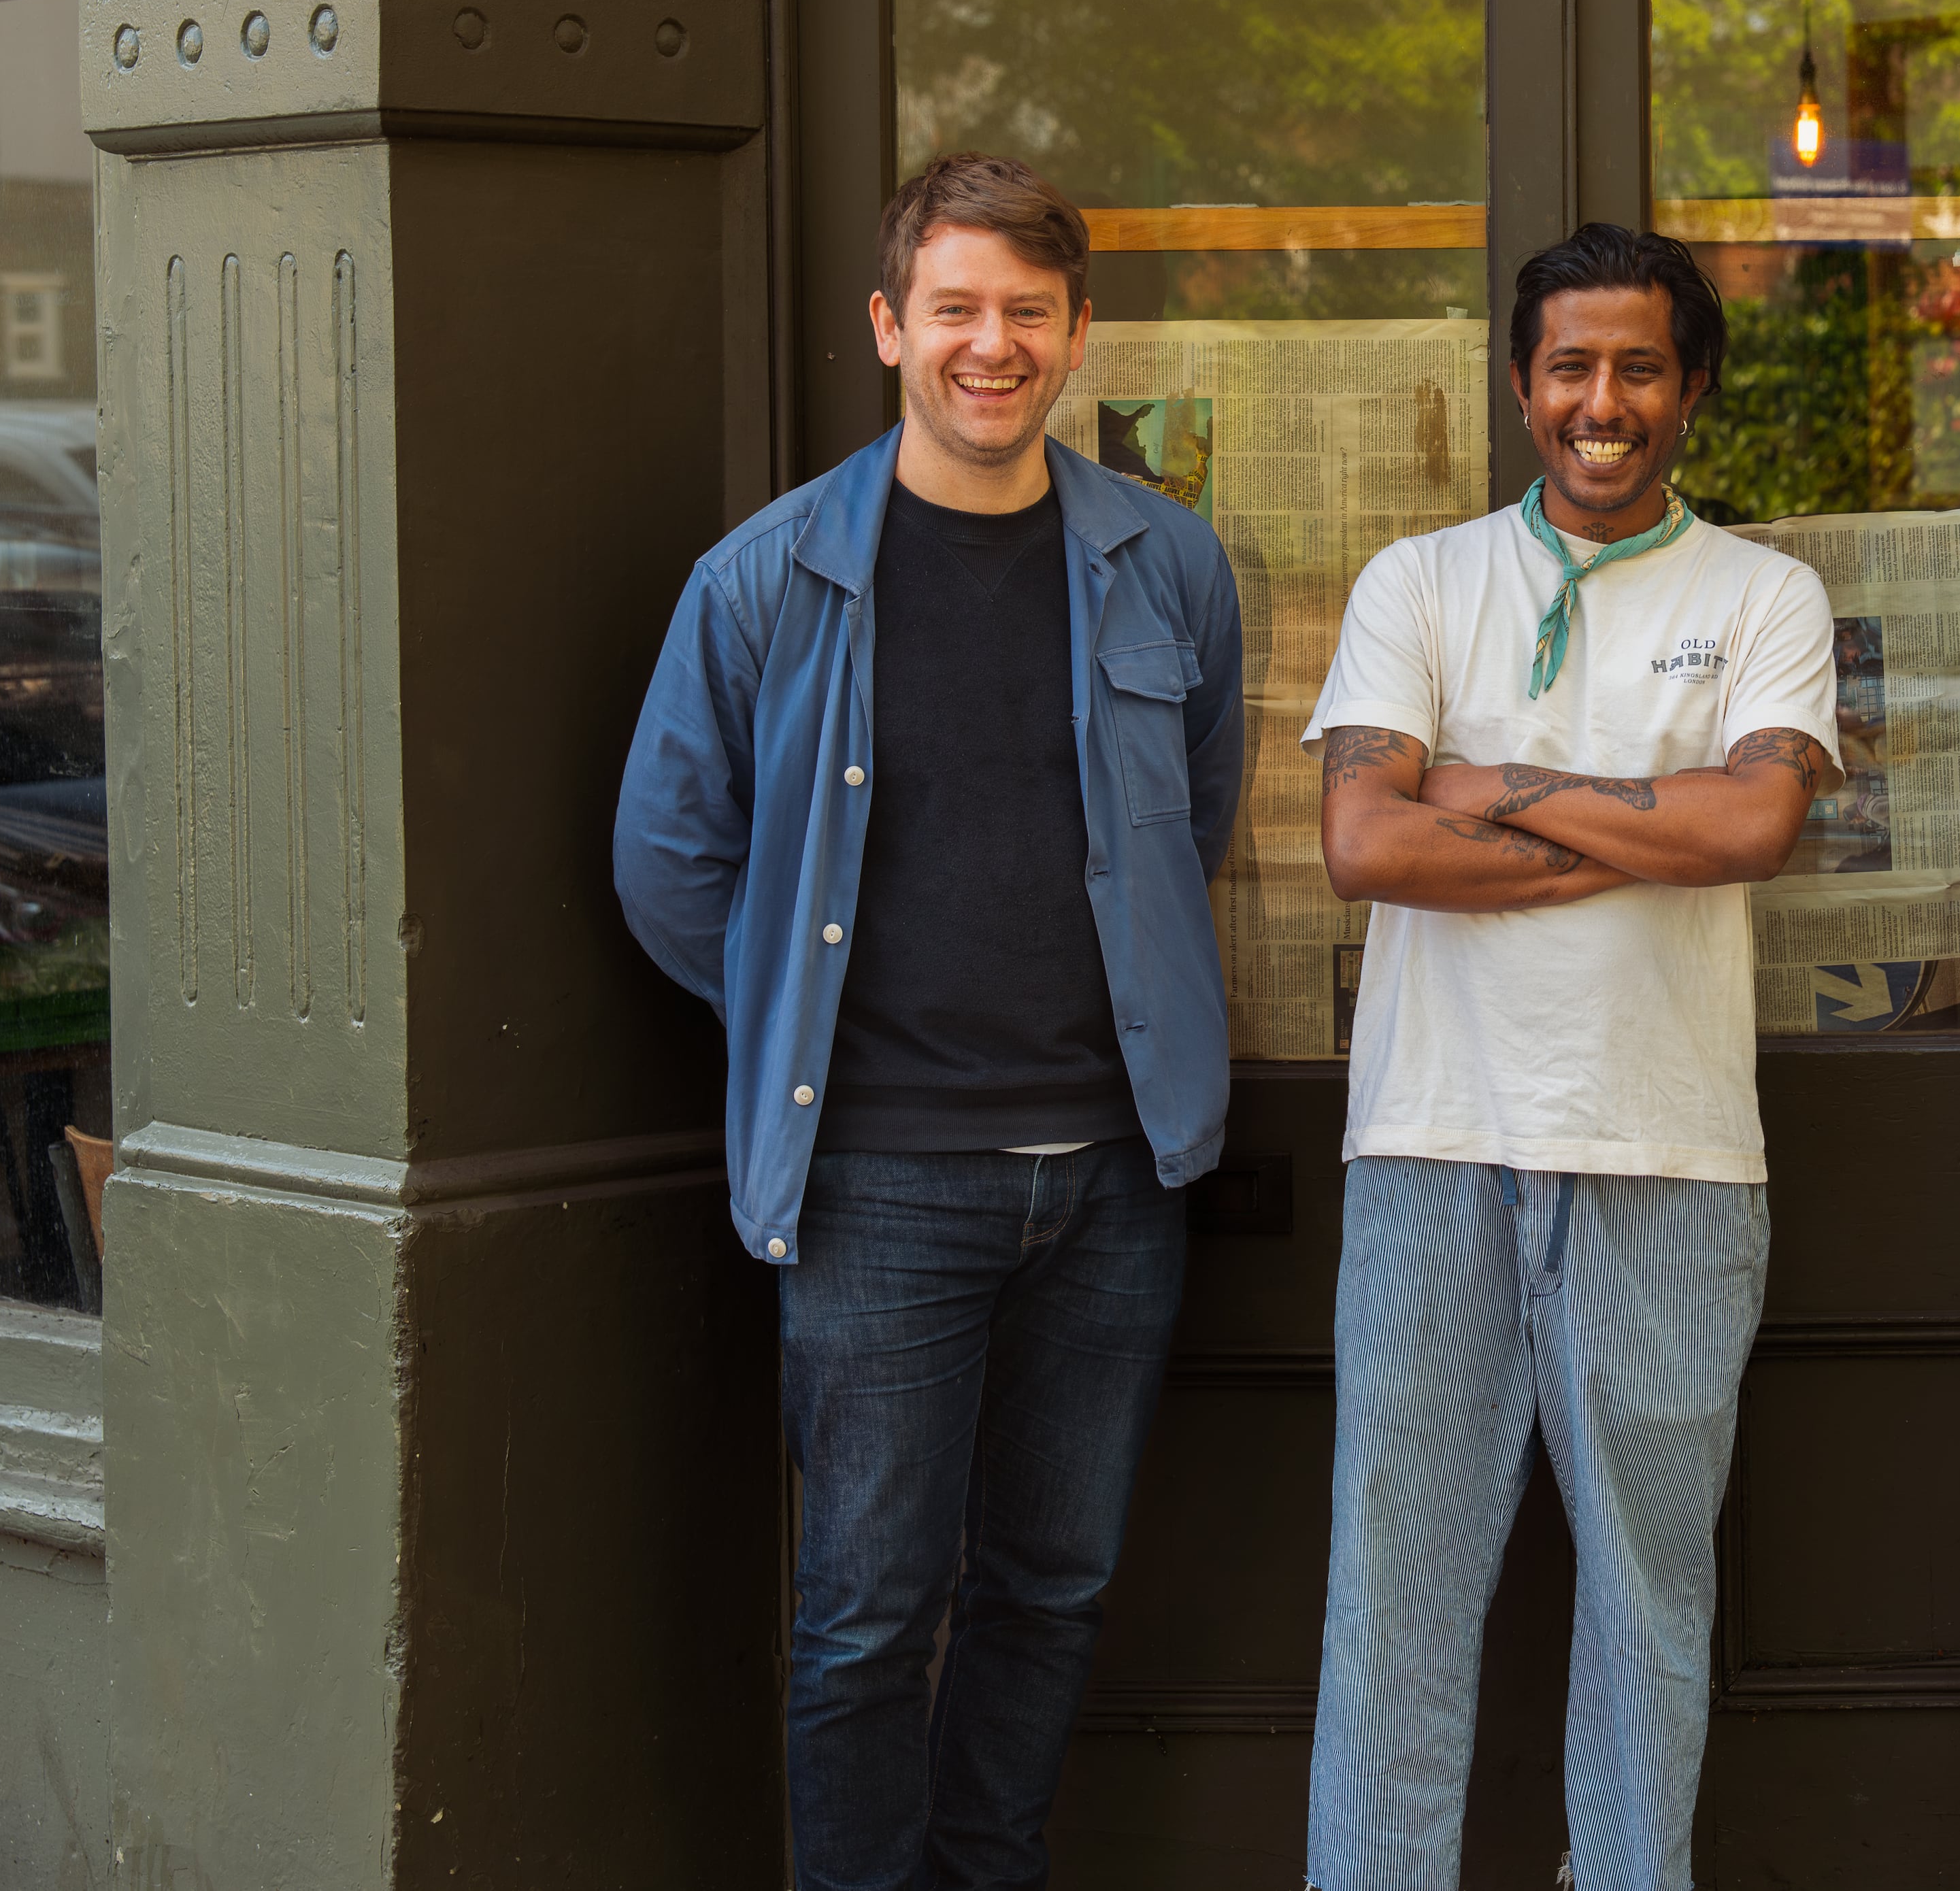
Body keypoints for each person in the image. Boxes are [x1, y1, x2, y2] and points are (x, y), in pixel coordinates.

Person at [612, 152, 1244, 1891]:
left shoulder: (1167, 565)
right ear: (889, 325)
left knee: (1053, 1588)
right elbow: (672, 866)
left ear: (1076, 335)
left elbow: (1192, 819)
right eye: (954, 309)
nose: (992, 345)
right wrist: (815, 1019)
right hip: (880, 1184)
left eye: (1025, 313)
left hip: (1115, 1177)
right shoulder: (767, 581)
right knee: (866, 1618)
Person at [1297, 224, 1840, 1891]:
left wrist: (1495, 781)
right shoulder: (1420, 581)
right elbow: (1366, 844)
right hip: (1431, 1140)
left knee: (1646, 1602)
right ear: (1525, 384)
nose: (1602, 403)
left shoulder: (1763, 592)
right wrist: (1640, 827)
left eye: (1640, 368)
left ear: (1690, 388)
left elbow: (1756, 819)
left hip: (1668, 1156)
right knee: (1392, 1595)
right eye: (1571, 367)